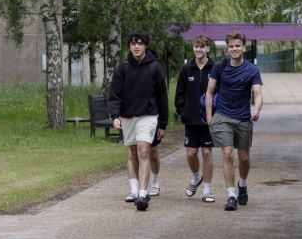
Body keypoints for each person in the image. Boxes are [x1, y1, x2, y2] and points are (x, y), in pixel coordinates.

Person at [108, 30, 168, 211]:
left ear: (145, 46)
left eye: (140, 43)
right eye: (133, 43)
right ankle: (133, 189)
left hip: (148, 115)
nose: (136, 46)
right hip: (128, 116)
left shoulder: (154, 67)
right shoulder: (123, 67)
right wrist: (115, 115)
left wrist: (163, 123)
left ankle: (143, 193)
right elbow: (115, 94)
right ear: (130, 46)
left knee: (144, 151)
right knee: (132, 153)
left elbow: (162, 97)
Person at [204, 31, 262, 211]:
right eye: (231, 46)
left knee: (244, 157)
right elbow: (209, 92)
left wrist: (256, 110)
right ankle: (231, 195)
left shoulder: (252, 70)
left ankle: (242, 184)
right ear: (228, 48)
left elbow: (258, 94)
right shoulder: (220, 66)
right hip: (222, 117)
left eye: (238, 46)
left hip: (243, 118)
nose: (234, 49)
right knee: (227, 153)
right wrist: (209, 117)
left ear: (244, 47)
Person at [174, 34, 215, 203]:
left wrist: (215, 113)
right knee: (191, 153)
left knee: (207, 152)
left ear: (207, 48)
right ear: (193, 48)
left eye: (202, 46)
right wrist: (182, 110)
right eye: (196, 46)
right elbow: (179, 93)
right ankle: (196, 177)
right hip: (190, 119)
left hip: (208, 119)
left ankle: (207, 190)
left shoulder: (215, 67)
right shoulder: (186, 68)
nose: (199, 49)